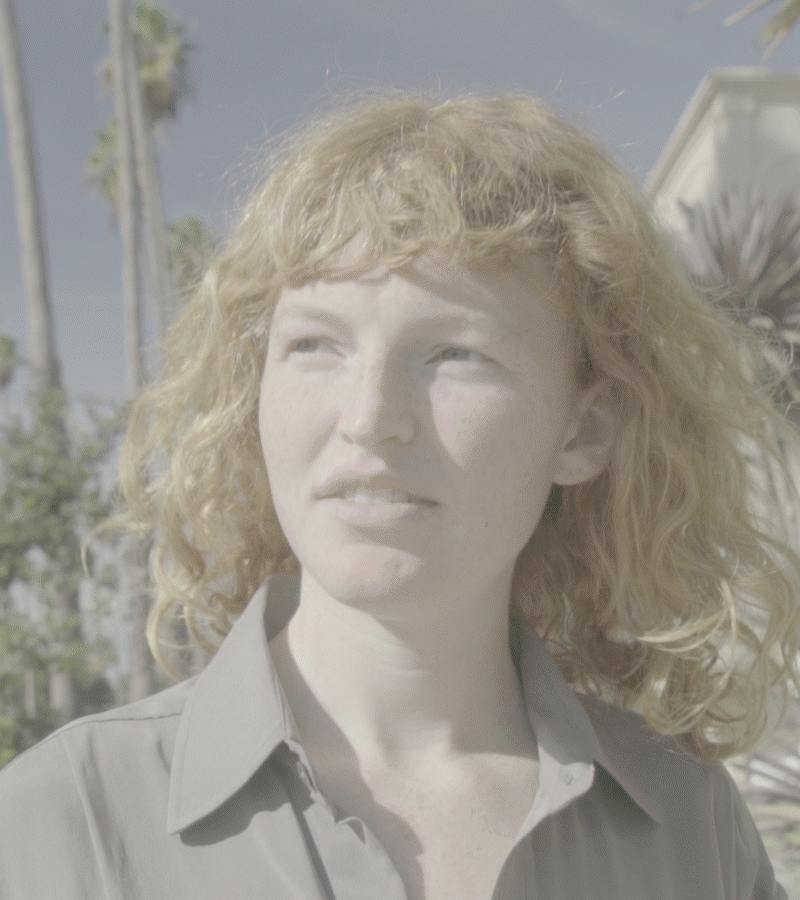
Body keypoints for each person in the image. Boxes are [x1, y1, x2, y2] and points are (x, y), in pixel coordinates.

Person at [1, 91, 799, 900]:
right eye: (316, 343)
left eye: (455, 353)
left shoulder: (694, 827)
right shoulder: (67, 818)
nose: (370, 418)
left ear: (583, 429)